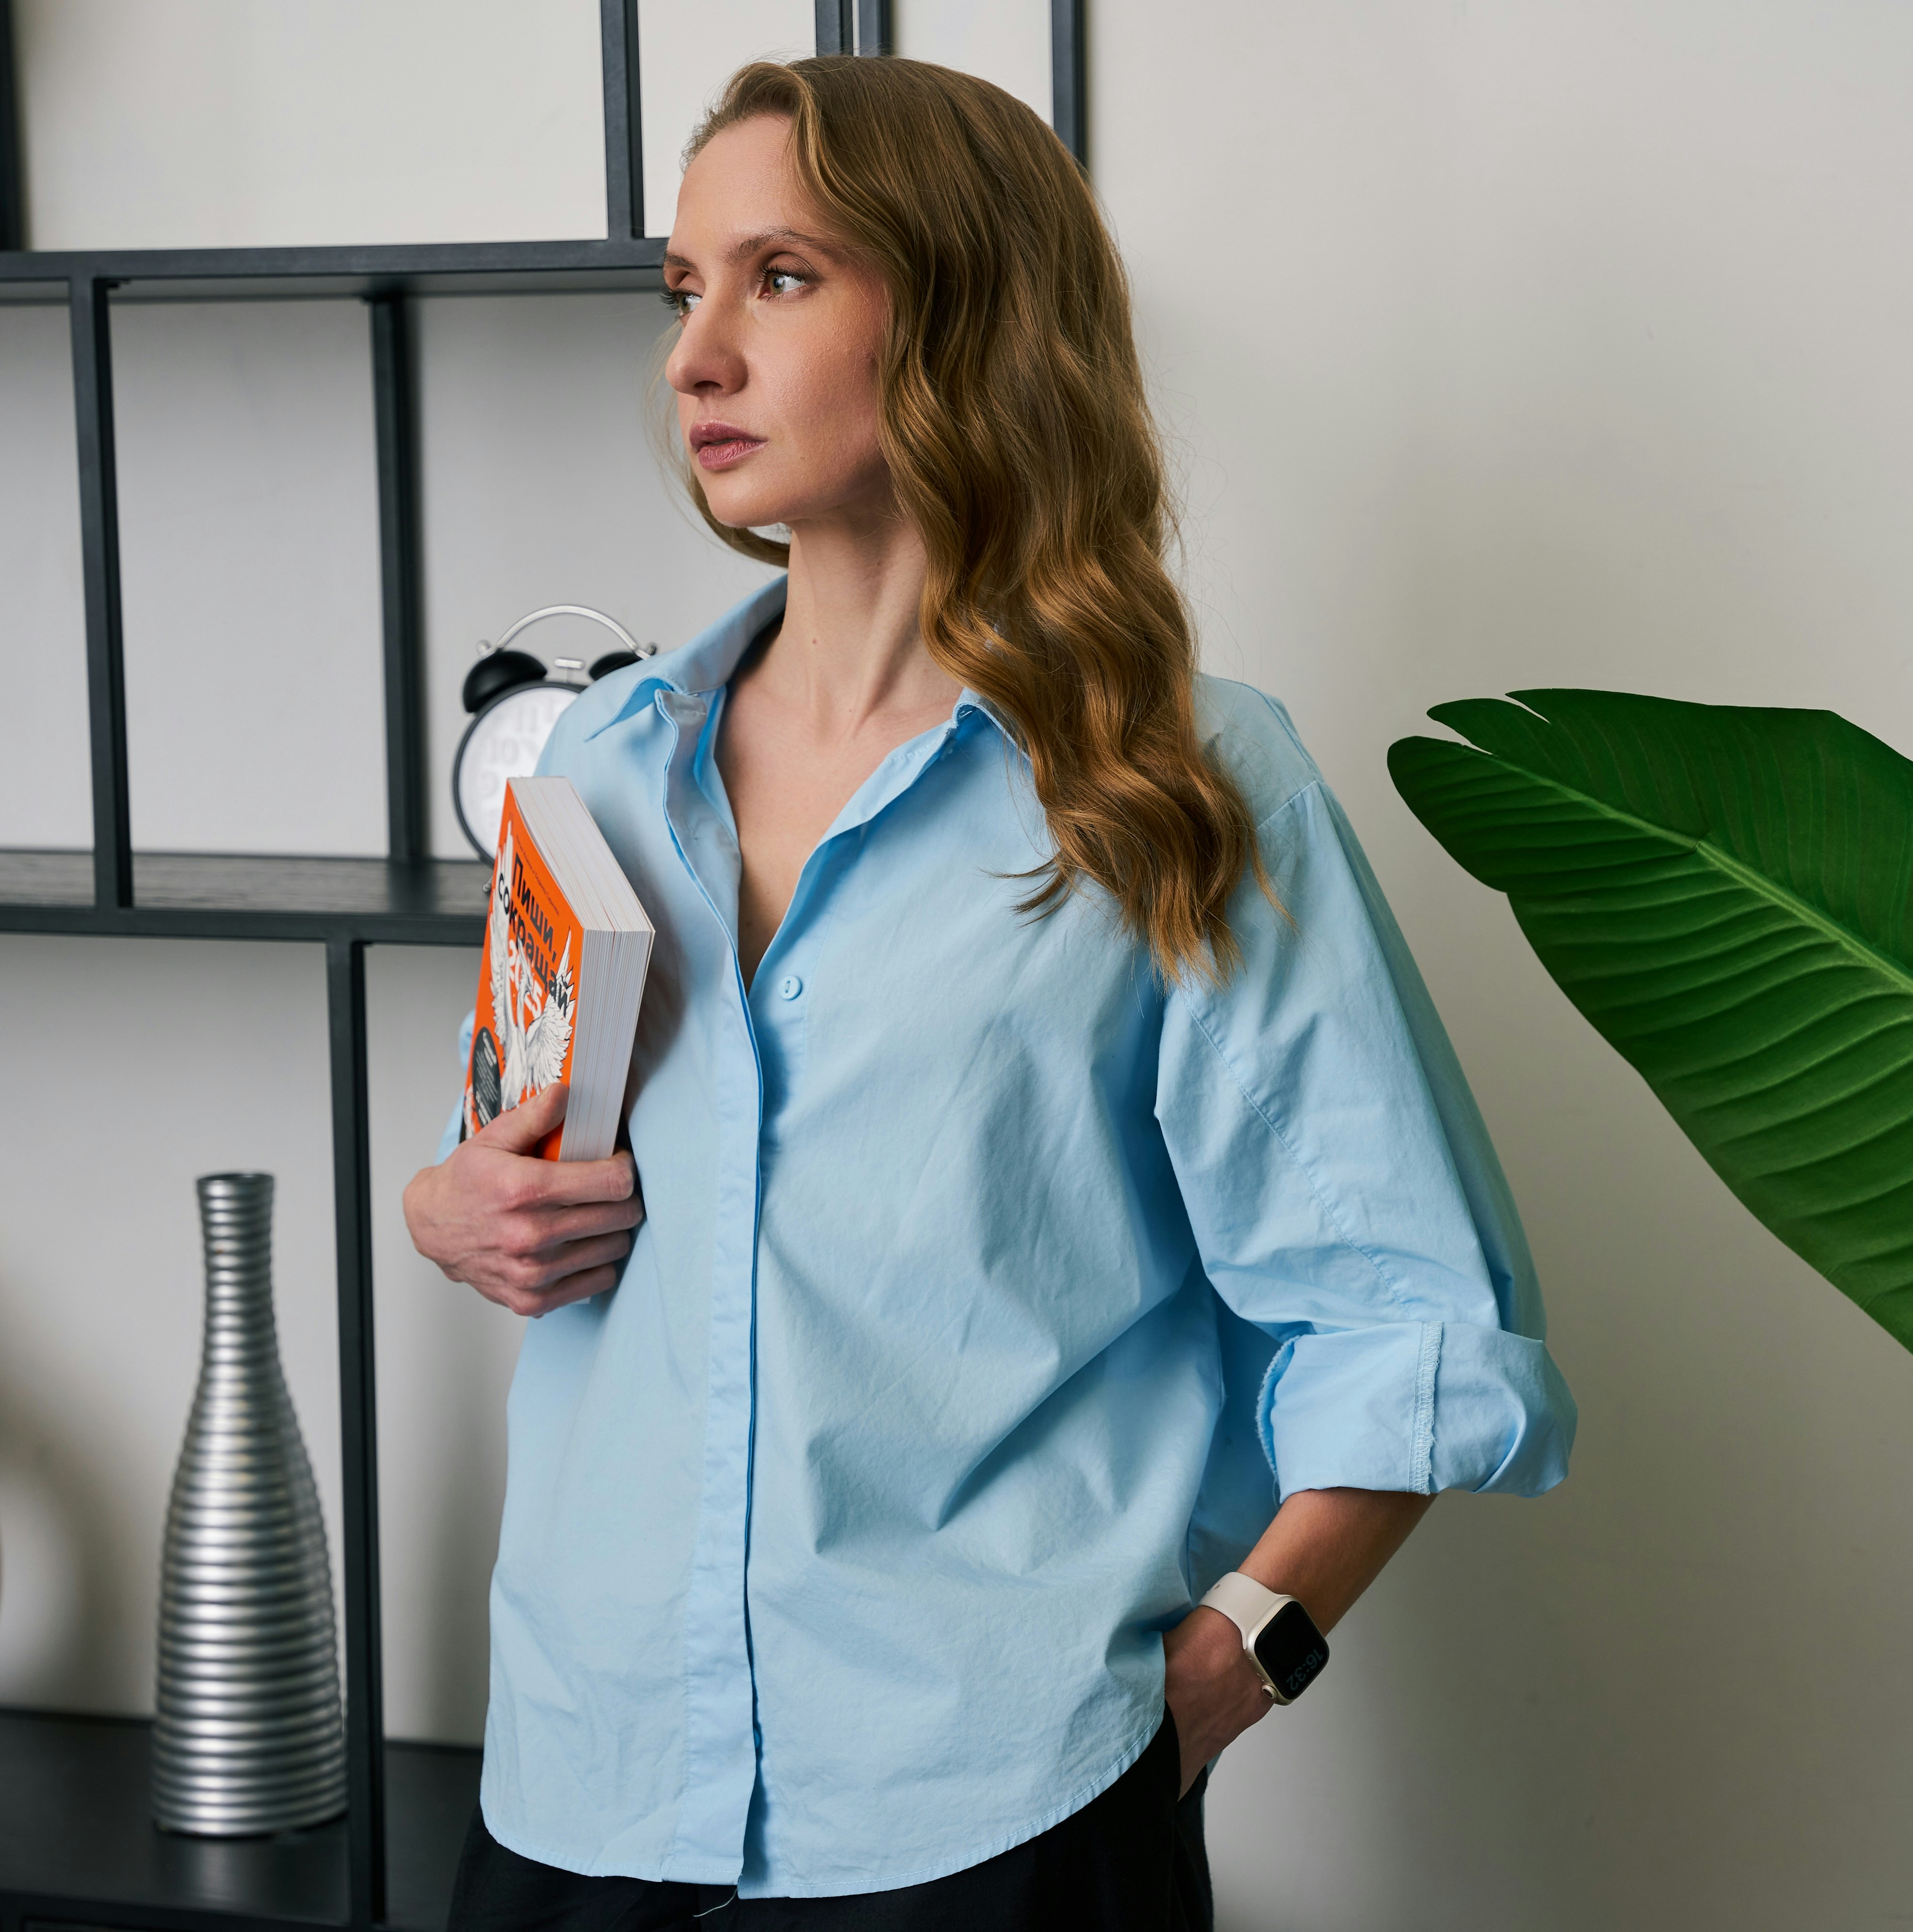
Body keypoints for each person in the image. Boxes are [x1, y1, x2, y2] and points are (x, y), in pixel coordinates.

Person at [402, 53, 1575, 1932]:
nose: (698, 353)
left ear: (964, 311)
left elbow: (1404, 1322)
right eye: (682, 285)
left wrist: (1225, 1673)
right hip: (583, 1782)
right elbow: (532, 1154)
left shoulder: (1178, 781)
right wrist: (456, 1204)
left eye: (779, 276)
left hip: (993, 1820)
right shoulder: (597, 771)